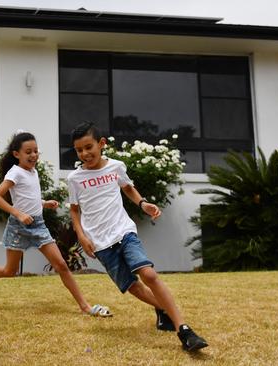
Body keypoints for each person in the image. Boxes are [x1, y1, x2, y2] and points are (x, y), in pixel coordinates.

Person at [67, 122, 209, 352]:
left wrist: (143, 203)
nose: (84, 154)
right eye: (79, 150)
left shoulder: (116, 167)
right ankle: (163, 310)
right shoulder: (74, 178)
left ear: (101, 144)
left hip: (124, 232)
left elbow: (128, 188)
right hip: (101, 243)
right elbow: (74, 209)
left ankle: (183, 329)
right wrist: (81, 237)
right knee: (133, 287)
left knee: (148, 274)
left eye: (88, 147)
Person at [0, 131, 112, 317]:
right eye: (28, 152)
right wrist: (19, 214)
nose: (33, 155)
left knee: (61, 265)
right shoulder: (15, 172)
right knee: (10, 270)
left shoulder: (33, 171)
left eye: (36, 151)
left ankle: (85, 306)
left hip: (38, 225)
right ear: (16, 154)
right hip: (18, 226)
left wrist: (43, 203)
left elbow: (26, 197)